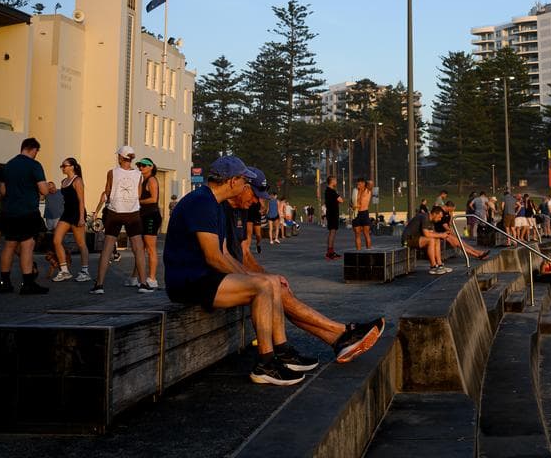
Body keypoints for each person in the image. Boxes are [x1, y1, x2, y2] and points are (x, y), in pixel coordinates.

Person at [164, 156, 385, 385]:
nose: (245, 186)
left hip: (205, 278)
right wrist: (255, 278)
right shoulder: (202, 202)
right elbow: (214, 257)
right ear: (233, 181)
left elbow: (226, 254)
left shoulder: (213, 204)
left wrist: (258, 276)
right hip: (189, 282)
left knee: (267, 282)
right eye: (243, 181)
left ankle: (288, 351)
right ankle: (266, 363)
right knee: (263, 285)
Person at [0, 137, 57, 295]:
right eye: (37, 151)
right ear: (33, 149)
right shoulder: (34, 165)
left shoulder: (8, 165)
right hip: (27, 211)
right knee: (27, 245)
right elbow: (43, 190)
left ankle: (4, 282)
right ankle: (28, 283)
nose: (37, 154)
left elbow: (2, 191)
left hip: (9, 211)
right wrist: (47, 188)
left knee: (9, 245)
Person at [90, 146, 151, 295]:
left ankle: (99, 285)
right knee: (138, 248)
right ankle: (143, 283)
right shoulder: (139, 175)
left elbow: (108, 191)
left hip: (114, 212)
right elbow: (138, 193)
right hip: (132, 213)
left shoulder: (112, 172)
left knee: (107, 248)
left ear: (120, 157)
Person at [52, 158, 91, 282]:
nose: (62, 168)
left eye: (64, 165)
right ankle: (64, 271)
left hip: (77, 214)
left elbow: (81, 201)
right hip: (66, 214)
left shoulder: (77, 180)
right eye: (61, 166)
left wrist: (81, 218)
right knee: (56, 240)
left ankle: (85, 271)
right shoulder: (63, 181)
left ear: (72, 167)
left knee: (81, 244)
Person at [137, 157, 162, 289]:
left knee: (151, 249)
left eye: (144, 165)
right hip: (143, 216)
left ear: (151, 167)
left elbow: (153, 199)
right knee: (140, 248)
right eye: (139, 165)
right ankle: (135, 277)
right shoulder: (142, 180)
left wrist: (138, 202)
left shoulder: (152, 180)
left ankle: (152, 279)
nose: (141, 167)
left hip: (151, 216)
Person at [403, 205, 451, 274]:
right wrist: (441, 235)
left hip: (417, 238)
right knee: (431, 240)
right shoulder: (425, 217)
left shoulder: (431, 221)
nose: (440, 219)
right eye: (439, 217)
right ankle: (433, 267)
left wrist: (443, 234)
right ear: (434, 214)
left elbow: (433, 233)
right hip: (407, 240)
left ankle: (440, 265)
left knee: (436, 239)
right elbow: (427, 234)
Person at [324, 176, 343, 259]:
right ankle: (329, 252)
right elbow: (341, 200)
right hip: (332, 214)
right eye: (335, 180)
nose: (336, 182)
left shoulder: (327, 191)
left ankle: (330, 251)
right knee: (332, 232)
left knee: (332, 232)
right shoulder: (331, 191)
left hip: (330, 213)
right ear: (331, 181)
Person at [353, 179, 373, 249]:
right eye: (357, 184)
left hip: (364, 213)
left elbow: (371, 183)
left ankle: (369, 251)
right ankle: (358, 252)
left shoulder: (367, 190)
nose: (357, 185)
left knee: (366, 233)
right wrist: (352, 206)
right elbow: (351, 202)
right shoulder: (355, 192)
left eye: (359, 184)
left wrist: (366, 183)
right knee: (357, 234)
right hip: (356, 213)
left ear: (363, 183)